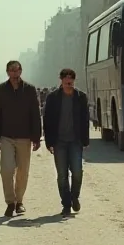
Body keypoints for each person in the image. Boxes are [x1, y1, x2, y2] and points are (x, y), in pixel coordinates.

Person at [0, 60, 41, 217]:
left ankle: (19, 202)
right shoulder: (0, 90)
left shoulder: (30, 90)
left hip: (24, 137)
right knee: (6, 170)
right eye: (11, 70)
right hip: (6, 137)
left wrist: (36, 137)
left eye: (16, 70)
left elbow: (35, 114)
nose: (14, 73)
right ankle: (10, 202)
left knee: (23, 171)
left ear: (21, 71)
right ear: (7, 72)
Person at [42, 68, 90, 216]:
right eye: (66, 78)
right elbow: (47, 120)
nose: (69, 81)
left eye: (71, 78)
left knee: (77, 172)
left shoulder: (81, 97)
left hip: (75, 141)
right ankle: (66, 203)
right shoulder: (53, 98)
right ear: (61, 80)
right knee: (62, 175)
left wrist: (85, 140)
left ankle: (74, 197)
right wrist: (49, 142)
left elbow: (85, 119)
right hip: (59, 142)